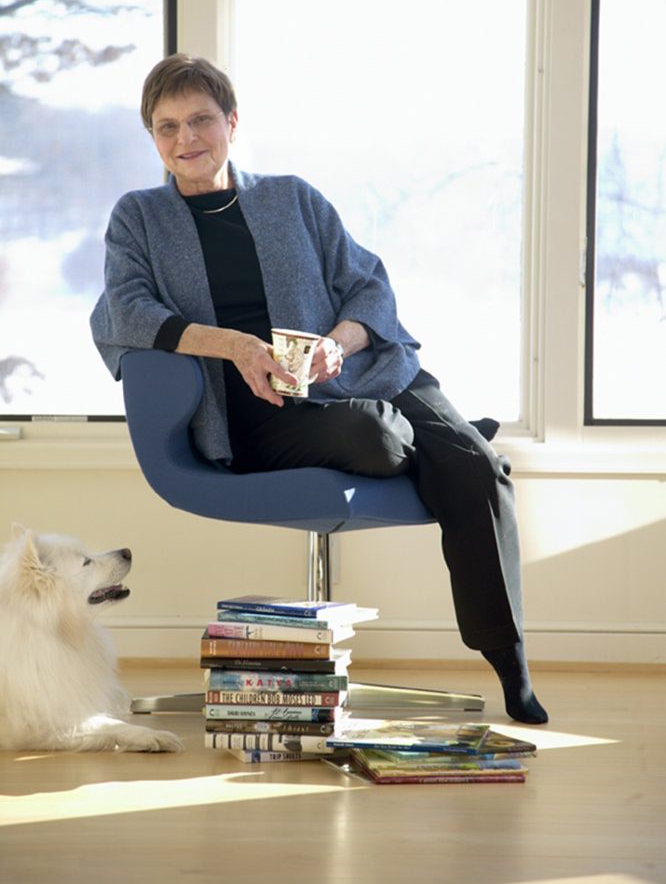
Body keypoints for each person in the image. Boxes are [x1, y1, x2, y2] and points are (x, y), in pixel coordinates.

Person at [90, 53, 548, 725]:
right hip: (264, 416)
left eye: (201, 120)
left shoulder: (292, 197)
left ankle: (511, 665)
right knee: (378, 436)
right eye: (167, 127)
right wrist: (236, 346)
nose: (186, 139)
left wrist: (339, 342)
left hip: (369, 374)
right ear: (153, 137)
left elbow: (369, 285)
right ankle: (447, 442)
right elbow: (124, 311)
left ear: (232, 123)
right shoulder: (139, 218)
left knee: (476, 471)